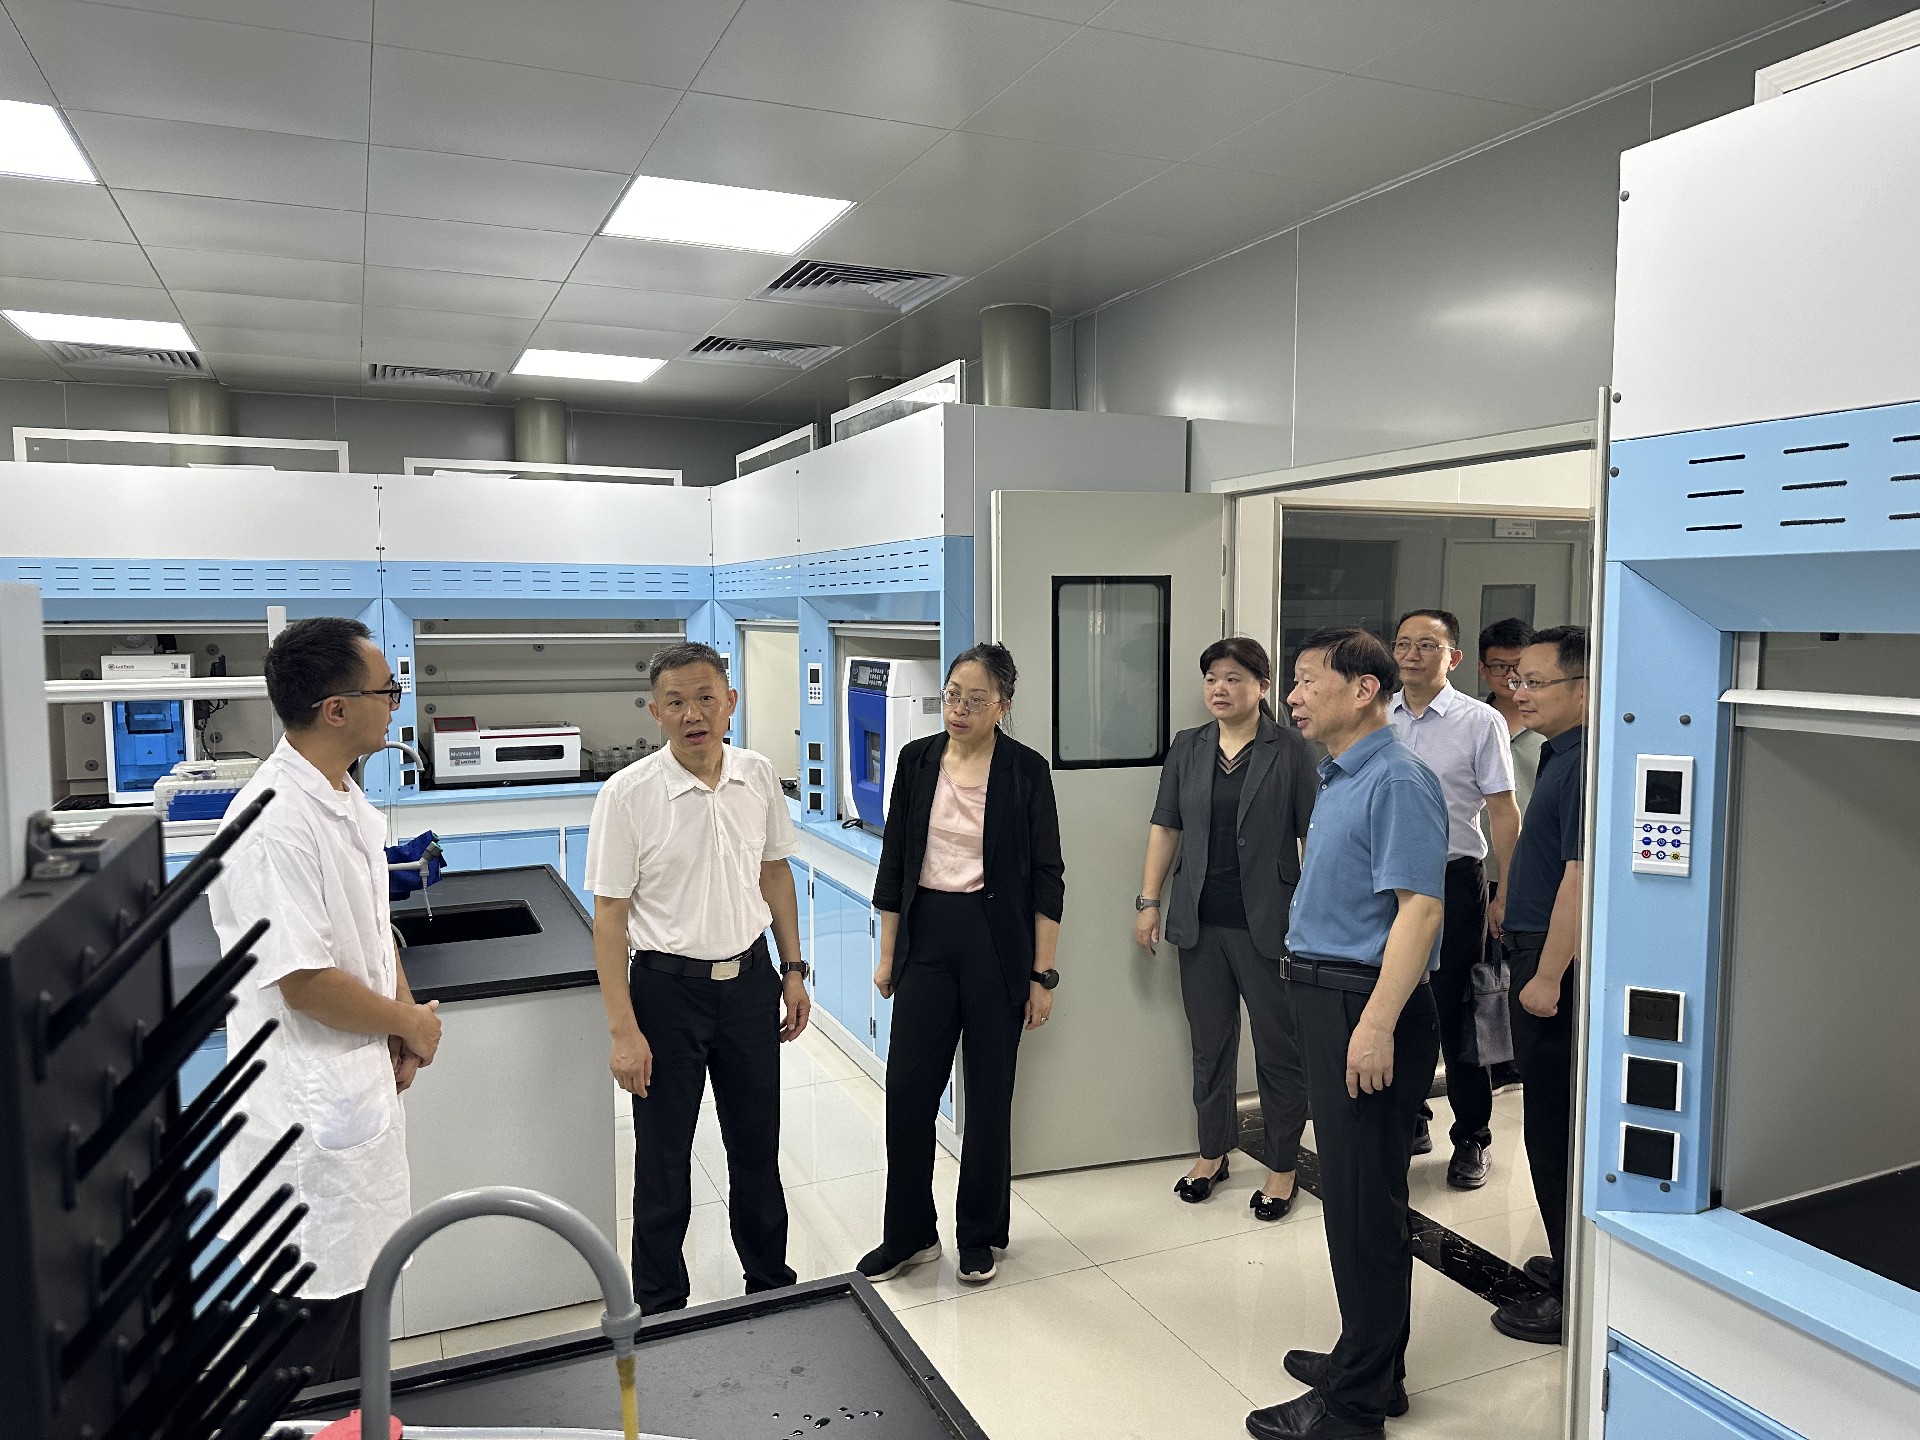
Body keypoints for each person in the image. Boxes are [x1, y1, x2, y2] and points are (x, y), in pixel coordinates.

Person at [208, 616, 443, 1384]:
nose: (396, 703)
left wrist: (401, 1019)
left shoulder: (343, 798)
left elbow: (372, 929)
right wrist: (409, 1024)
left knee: (359, 1334)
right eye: (386, 690)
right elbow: (306, 982)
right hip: (306, 1132)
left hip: (354, 1101)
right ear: (337, 709)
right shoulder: (273, 822)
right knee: (314, 1359)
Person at [1246, 628, 1446, 1440]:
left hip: (1364, 1006)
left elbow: (1420, 911)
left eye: (1306, 681)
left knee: (1364, 1208)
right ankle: (1372, 1366)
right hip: (1331, 999)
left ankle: (1354, 1409)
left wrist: (1375, 1024)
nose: (1292, 697)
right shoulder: (1341, 774)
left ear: (1363, 690)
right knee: (1358, 1202)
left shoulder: (1397, 779)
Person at [585, 641, 812, 1315]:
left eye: (706, 698)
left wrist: (793, 969)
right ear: (655, 712)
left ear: (729, 702)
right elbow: (610, 918)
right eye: (677, 702)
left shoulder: (757, 775)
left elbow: (775, 873)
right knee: (663, 1159)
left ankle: (769, 1284)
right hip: (666, 992)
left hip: (749, 982)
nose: (694, 714)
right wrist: (623, 1032)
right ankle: (659, 1306)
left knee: (757, 1147)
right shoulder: (628, 795)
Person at [858, 643, 1064, 1288]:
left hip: (995, 946)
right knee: (908, 1093)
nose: (960, 709)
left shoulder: (1025, 771)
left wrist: (1043, 974)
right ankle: (909, 1235)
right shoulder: (916, 760)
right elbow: (895, 862)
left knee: (990, 1095)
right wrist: (888, 954)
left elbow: (1048, 876)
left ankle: (980, 1234)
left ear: (1003, 705)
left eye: (976, 699)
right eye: (952, 695)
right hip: (927, 939)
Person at [1135, 637, 1318, 1219]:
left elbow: (1314, 835)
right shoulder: (1188, 747)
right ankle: (1212, 1153)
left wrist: (1312, 913)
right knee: (1209, 1046)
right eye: (1212, 677)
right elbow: (1166, 826)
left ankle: (1283, 1166)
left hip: (1271, 924)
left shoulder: (1291, 748)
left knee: (1278, 1049)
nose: (1219, 688)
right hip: (1201, 922)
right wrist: (1148, 900)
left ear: (1262, 687)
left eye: (1234, 678)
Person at [1387, 611, 1520, 1191]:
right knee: (1391, 1002)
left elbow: (1504, 812)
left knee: (1458, 1012)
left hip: (1454, 880)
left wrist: (1506, 890)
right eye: (1403, 644)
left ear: (1453, 658)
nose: (1412, 655)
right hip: (1389, 882)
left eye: (1427, 645)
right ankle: (1410, 1117)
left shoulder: (1479, 721)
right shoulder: (1377, 714)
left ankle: (1471, 1137)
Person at [1488, 625, 1588, 1347]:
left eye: (1535, 682)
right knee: (1545, 1124)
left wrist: (1548, 976)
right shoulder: (1558, 753)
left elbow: (1579, 880)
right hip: (1529, 949)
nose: (1519, 693)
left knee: (1554, 1129)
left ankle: (1574, 1295)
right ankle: (1566, 1257)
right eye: (1516, 680)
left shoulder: (1584, 765)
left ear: (1583, 688)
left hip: (1551, 966)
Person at [1477, 617, 1542, 1095]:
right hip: (1475, 868)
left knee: (1518, 967)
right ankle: (1487, 1062)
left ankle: (1515, 1060)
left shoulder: (1550, 726)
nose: (1510, 676)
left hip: (1532, 871)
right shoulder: (1470, 722)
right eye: (1500, 666)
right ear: (1483, 669)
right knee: (1480, 973)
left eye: (1519, 666)